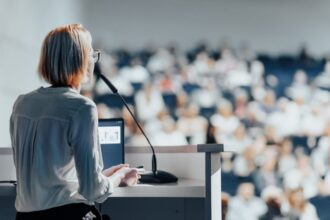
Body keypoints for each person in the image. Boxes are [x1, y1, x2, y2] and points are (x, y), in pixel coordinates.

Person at [10, 24, 139, 220]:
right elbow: (94, 192)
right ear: (81, 60)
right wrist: (118, 177)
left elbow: (51, 180)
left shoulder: (22, 104)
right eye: (91, 54)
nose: (93, 60)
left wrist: (103, 176)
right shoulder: (82, 107)